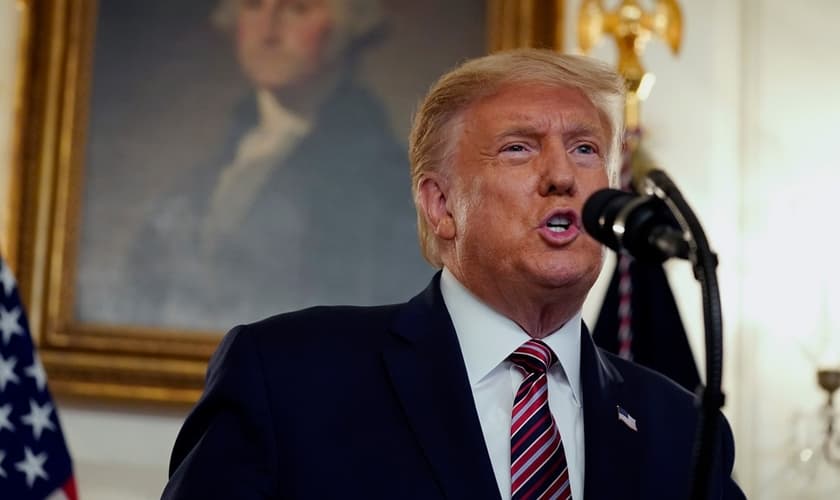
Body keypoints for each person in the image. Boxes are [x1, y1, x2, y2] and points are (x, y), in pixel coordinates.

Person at [161, 49, 746, 499]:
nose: (563, 176)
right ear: (441, 206)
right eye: (519, 148)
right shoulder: (288, 376)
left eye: (586, 149)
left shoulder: (683, 430)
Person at [128, 0, 429, 329]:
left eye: (296, 9)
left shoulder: (381, 180)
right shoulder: (217, 166)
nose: (268, 31)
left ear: (345, 24)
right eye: (253, 5)